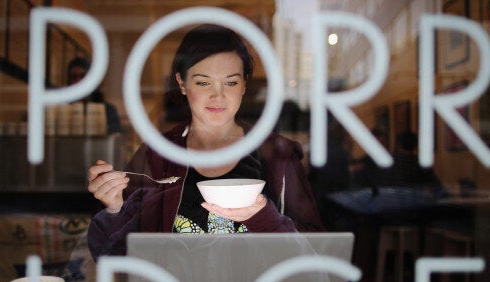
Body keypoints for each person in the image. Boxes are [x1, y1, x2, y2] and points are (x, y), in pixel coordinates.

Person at [86, 24, 324, 262]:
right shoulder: (157, 155)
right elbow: (112, 257)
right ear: (182, 83)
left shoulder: (278, 155)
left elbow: (317, 250)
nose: (218, 96)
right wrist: (114, 209)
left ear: (244, 85)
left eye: (230, 82)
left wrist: (265, 218)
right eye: (203, 82)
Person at [67, 57, 122, 134]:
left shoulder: (108, 110)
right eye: (74, 77)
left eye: (83, 76)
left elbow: (114, 135)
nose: (78, 81)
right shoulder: (64, 110)